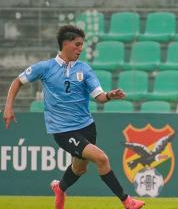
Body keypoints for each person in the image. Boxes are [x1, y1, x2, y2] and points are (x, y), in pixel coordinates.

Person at [2, 25, 145, 209]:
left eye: (82, 45)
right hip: (62, 129)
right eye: (77, 44)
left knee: (79, 169)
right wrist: (8, 107)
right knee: (101, 159)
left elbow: (99, 97)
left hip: (87, 126)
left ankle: (60, 188)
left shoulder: (84, 69)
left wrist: (110, 95)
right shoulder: (45, 67)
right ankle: (128, 201)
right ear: (66, 44)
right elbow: (17, 82)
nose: (81, 49)